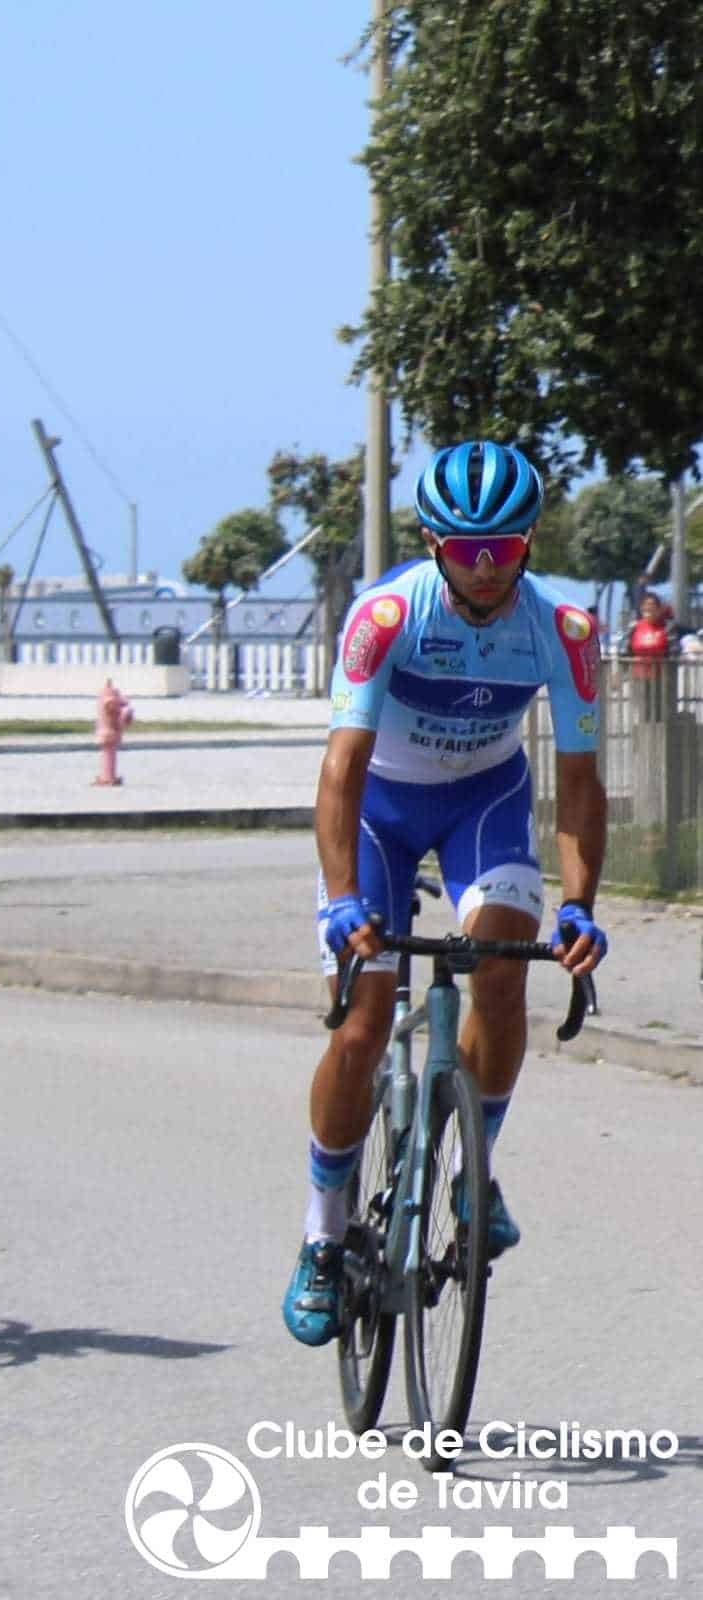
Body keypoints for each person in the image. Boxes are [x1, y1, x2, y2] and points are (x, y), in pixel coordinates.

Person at [284, 440, 608, 1348]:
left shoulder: (564, 632)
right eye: (463, 549)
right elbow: (340, 770)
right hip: (379, 813)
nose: (480, 569)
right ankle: (320, 1235)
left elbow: (580, 783)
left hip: (483, 804)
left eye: (500, 550)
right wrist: (344, 894)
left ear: (528, 542)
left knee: (504, 971)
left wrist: (580, 904)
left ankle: (472, 1172)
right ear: (431, 541)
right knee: (362, 1019)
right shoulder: (384, 614)